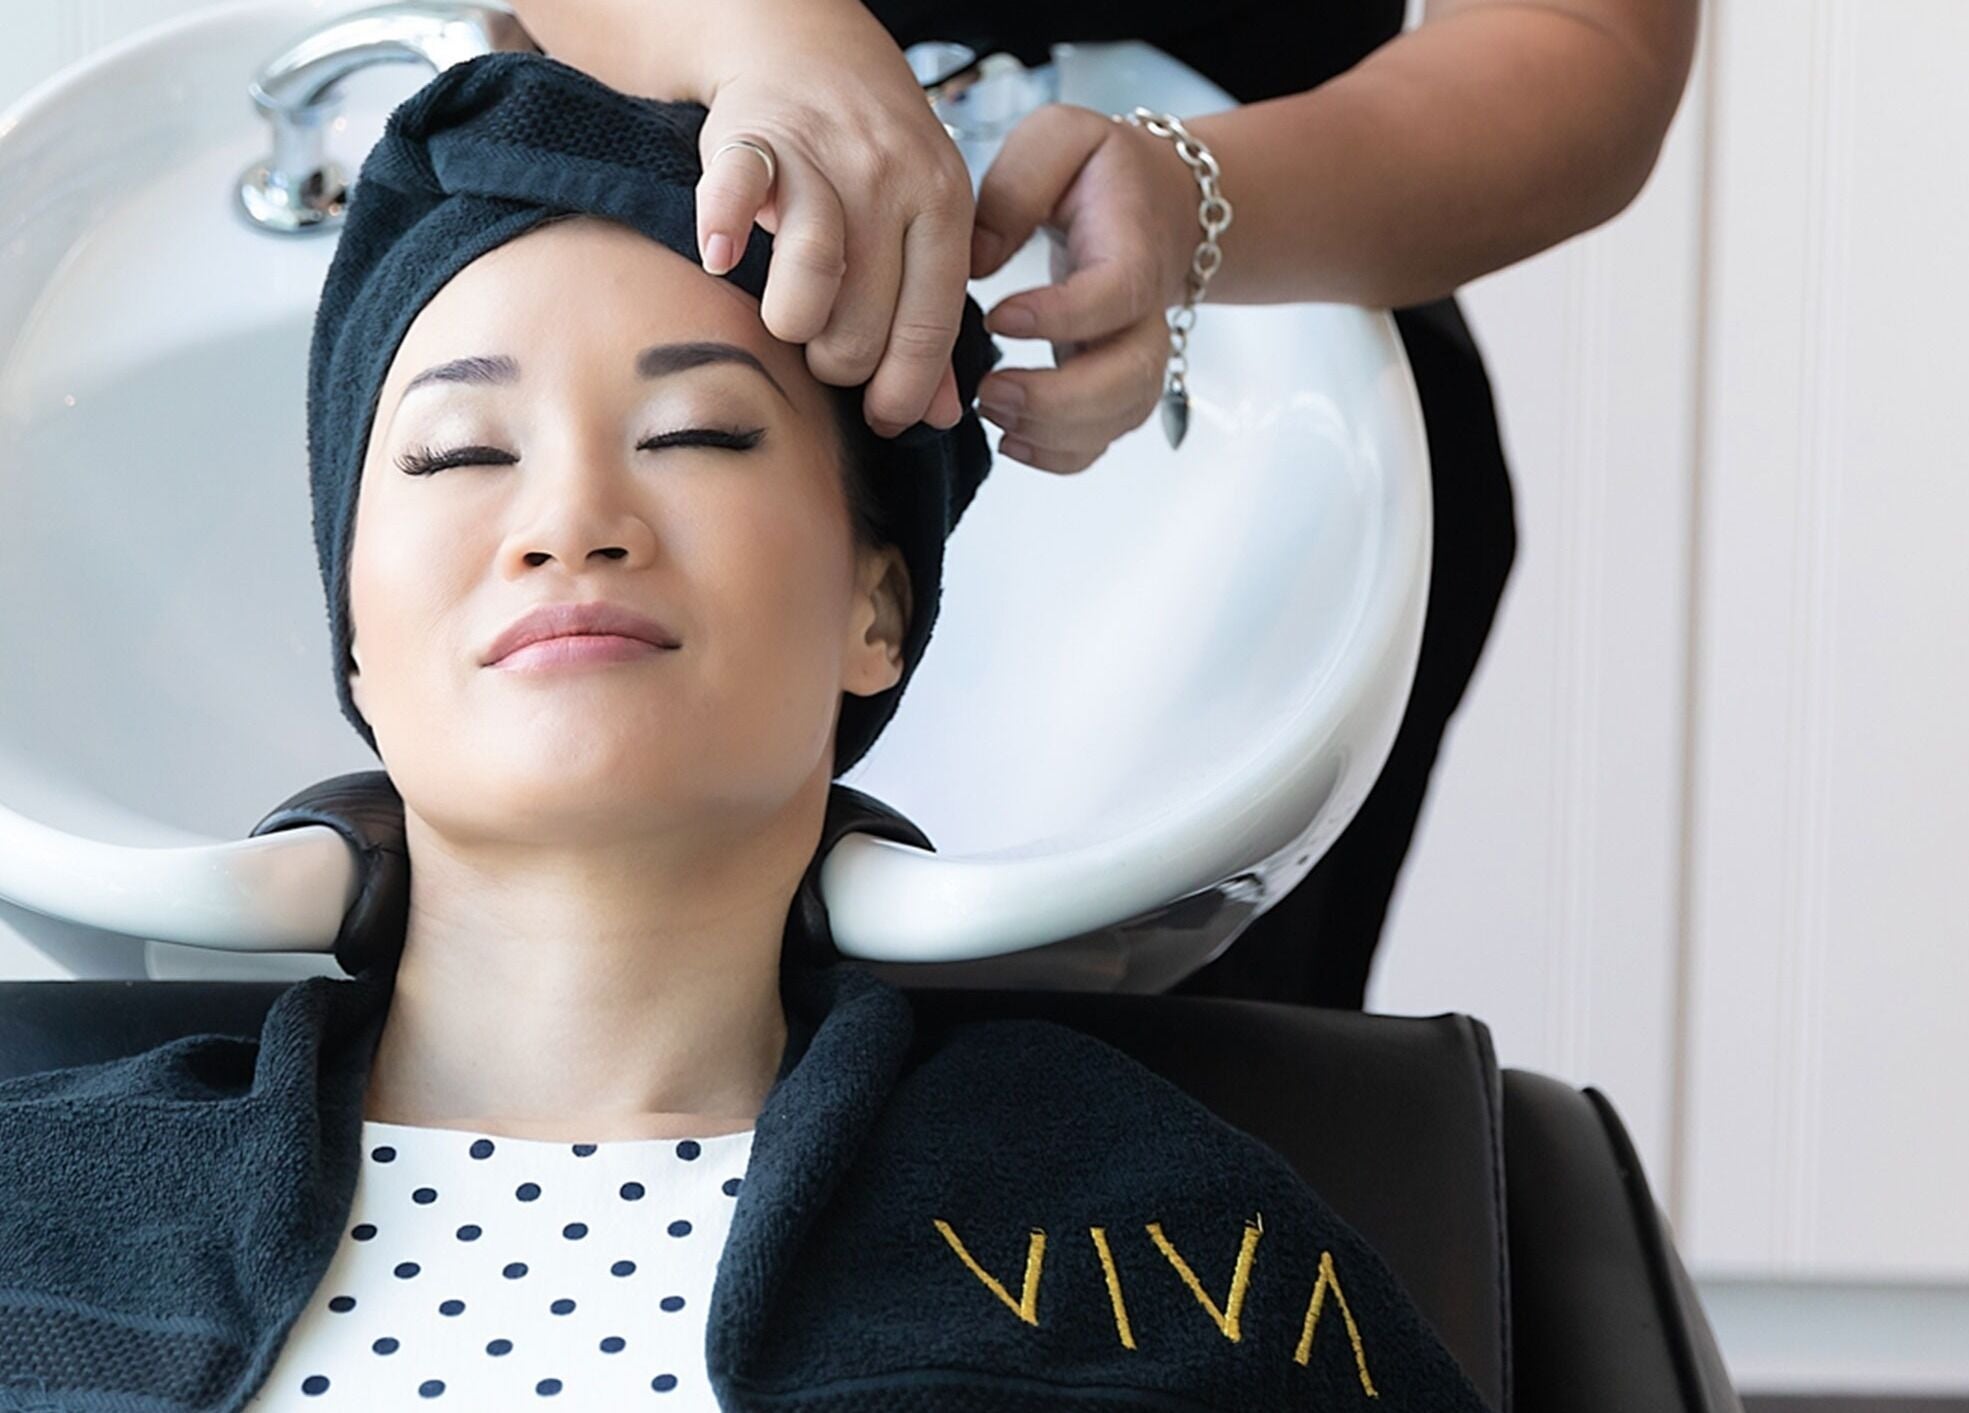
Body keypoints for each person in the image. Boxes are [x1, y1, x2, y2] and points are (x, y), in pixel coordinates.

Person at [0, 55, 1495, 1410]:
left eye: (696, 434)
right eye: (460, 453)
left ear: (877, 614)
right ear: (355, 640)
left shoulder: (1159, 1258)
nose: (571, 522)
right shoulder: (37, 1213)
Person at [508, 0, 1700, 1008]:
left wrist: (1197, 200)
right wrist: (757, 37)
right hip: (627, 279)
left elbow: (1580, 34)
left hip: (1262, 416)